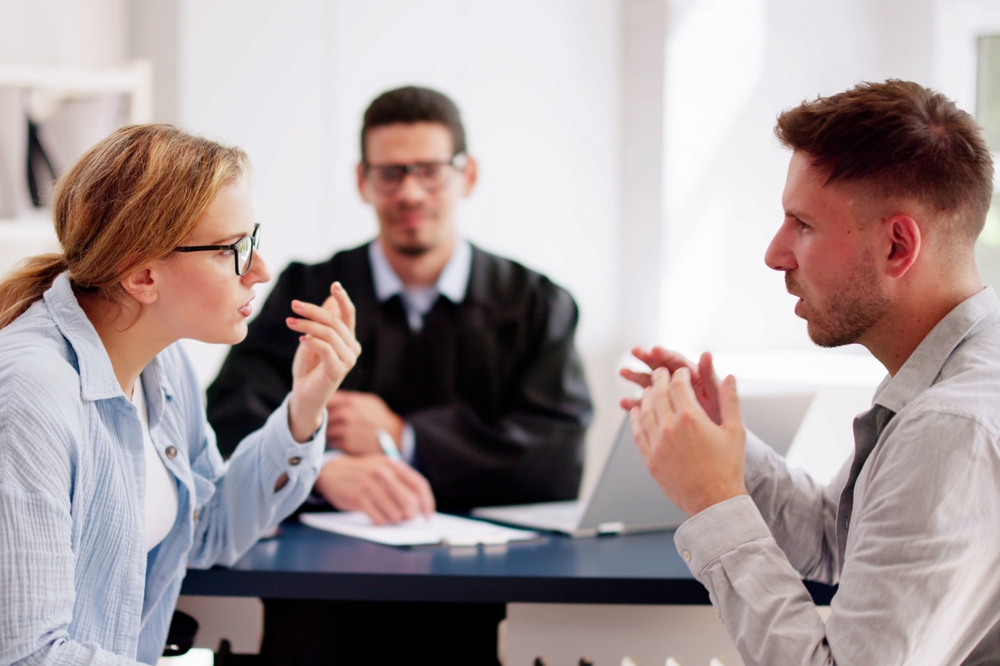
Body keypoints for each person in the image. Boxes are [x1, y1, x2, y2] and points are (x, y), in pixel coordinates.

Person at [205, 85, 592, 665]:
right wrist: (323, 472)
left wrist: (403, 437)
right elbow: (227, 419)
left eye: (430, 171)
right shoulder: (309, 290)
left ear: (468, 175)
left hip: (481, 602)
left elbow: (555, 457)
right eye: (390, 174)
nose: (409, 192)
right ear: (363, 181)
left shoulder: (536, 303)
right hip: (319, 595)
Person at [625, 80, 1000, 665]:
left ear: (898, 246)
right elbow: (837, 540)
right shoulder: (953, 374)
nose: (775, 253)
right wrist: (723, 451)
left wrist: (712, 501)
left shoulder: (948, 428)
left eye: (802, 224)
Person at [0, 124, 361, 665]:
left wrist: (303, 409)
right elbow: (29, 655)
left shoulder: (160, 362)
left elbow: (208, 528)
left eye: (253, 239)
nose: (260, 270)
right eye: (231, 250)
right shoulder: (34, 392)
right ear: (143, 276)